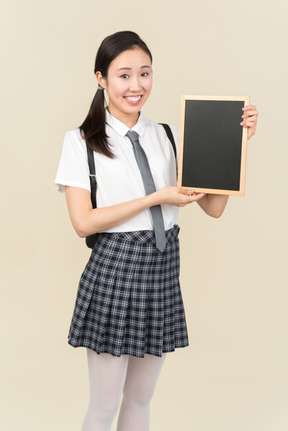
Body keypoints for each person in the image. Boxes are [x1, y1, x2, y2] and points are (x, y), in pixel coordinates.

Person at [55, 30, 258, 431]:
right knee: (104, 403)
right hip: (114, 271)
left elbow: (214, 208)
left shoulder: (170, 136)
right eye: (124, 75)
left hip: (162, 272)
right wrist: (156, 198)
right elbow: (83, 223)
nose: (136, 86)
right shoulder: (80, 142)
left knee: (142, 399)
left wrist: (238, 143)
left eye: (144, 74)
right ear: (101, 78)